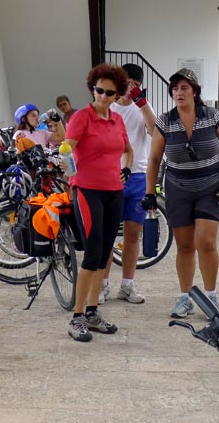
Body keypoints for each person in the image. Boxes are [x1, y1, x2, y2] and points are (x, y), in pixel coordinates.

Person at [142, 68, 219, 318]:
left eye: (184, 88)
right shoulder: (165, 121)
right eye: (175, 89)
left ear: (194, 91)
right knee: (184, 246)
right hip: (178, 188)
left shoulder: (212, 116)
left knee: (205, 242)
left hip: (210, 187)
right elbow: (153, 160)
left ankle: (211, 296)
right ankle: (185, 298)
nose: (179, 93)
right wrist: (150, 193)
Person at [64, 64, 133, 342]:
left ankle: (92, 312)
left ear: (117, 95)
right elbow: (66, 147)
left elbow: (127, 150)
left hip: (114, 190)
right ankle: (77, 316)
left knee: (104, 255)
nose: (102, 96)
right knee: (92, 254)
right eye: (98, 90)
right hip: (87, 190)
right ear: (93, 88)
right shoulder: (82, 117)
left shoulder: (117, 120)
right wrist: (71, 174)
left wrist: (126, 169)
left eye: (109, 92)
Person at [100, 63, 157, 305]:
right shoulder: (108, 106)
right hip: (111, 175)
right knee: (107, 233)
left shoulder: (142, 107)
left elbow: (155, 131)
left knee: (133, 233)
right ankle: (102, 285)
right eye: (126, 82)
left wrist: (142, 103)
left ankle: (127, 284)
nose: (129, 87)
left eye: (134, 83)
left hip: (138, 175)